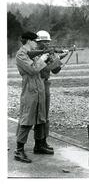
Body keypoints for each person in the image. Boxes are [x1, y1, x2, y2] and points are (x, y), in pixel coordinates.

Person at [14, 31, 50, 163]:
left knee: (41, 118)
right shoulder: (21, 55)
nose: (37, 44)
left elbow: (44, 69)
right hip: (29, 90)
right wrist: (42, 59)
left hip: (39, 88)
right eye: (35, 41)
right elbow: (33, 70)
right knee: (27, 120)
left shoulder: (33, 54)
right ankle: (19, 151)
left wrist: (56, 57)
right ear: (29, 41)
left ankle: (39, 145)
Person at [34, 30, 68, 154]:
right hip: (38, 84)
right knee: (40, 115)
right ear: (39, 42)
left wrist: (60, 58)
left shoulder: (46, 53)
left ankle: (43, 141)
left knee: (46, 115)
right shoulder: (36, 54)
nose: (48, 44)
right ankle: (38, 144)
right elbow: (44, 68)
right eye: (45, 42)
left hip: (45, 83)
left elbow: (55, 70)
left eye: (48, 42)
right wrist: (56, 58)